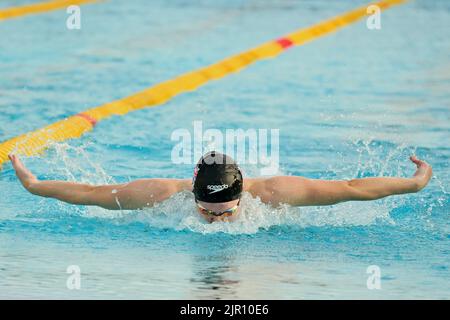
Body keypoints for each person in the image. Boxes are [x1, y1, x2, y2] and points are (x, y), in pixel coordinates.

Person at [7, 151, 432, 223]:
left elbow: (351, 188)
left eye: (226, 212)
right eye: (207, 212)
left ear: (243, 193)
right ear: (190, 193)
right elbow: (89, 194)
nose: (216, 220)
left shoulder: (276, 193)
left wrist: (413, 184)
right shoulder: (158, 193)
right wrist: (33, 183)